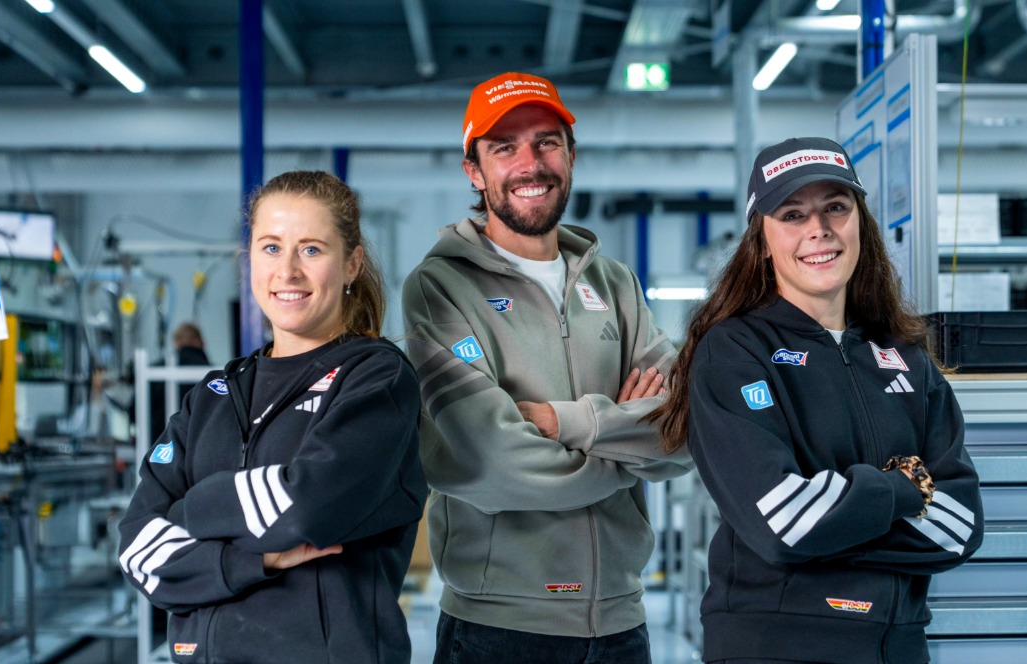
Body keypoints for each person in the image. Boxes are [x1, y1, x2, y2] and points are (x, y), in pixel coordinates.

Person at [648, 137, 984, 664]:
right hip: (776, 644)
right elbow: (782, 523)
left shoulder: (905, 355)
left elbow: (959, 525)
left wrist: (835, 514)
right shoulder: (736, 352)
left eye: (835, 207)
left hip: (898, 645)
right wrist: (903, 488)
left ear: (860, 225)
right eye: (792, 214)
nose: (818, 230)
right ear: (762, 240)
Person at [401, 72, 693, 664]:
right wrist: (623, 455)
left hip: (620, 623)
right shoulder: (441, 289)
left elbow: (685, 430)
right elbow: (487, 460)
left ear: (571, 155)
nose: (530, 163)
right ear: (474, 172)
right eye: (504, 147)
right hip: (499, 629)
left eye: (546, 141)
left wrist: (570, 425)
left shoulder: (613, 283)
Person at [118, 171, 427, 664]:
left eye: (310, 250)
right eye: (270, 247)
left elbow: (307, 505)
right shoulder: (215, 394)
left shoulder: (376, 379)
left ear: (352, 264)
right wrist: (252, 558)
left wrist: (190, 510)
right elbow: (138, 549)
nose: (287, 271)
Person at [147, 321, 211, 444]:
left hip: (160, 450)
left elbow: (135, 411)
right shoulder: (213, 374)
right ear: (200, 341)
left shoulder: (154, 372)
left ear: (176, 343)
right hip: (202, 449)